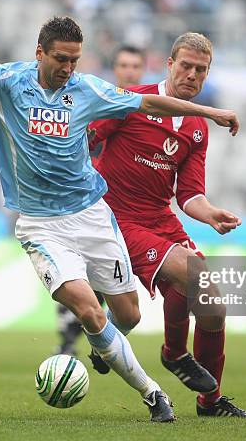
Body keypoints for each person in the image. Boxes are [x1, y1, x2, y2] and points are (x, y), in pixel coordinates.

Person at [0, 2, 239, 422]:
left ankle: (118, 347)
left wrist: (210, 113)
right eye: (60, 59)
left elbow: (158, 121)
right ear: (40, 53)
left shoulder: (88, 90)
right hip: (46, 223)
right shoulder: (7, 82)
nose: (68, 68)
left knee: (132, 313)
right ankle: (155, 392)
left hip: (92, 215)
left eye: (74, 60)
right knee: (100, 308)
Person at [87, 33, 246, 418]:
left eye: (201, 70)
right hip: (117, 219)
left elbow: (189, 195)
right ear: (169, 64)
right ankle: (174, 354)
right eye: (186, 66)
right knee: (191, 273)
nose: (192, 75)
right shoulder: (132, 100)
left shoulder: (196, 126)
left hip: (161, 218)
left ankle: (210, 402)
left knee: (212, 305)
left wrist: (211, 213)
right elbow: (86, 137)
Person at [55, 45, 146, 357]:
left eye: (135, 66)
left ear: (142, 70)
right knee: (78, 274)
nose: (130, 71)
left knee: (110, 286)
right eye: (123, 65)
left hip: (126, 212)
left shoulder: (142, 110)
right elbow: (81, 139)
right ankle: (68, 341)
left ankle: (95, 339)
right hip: (89, 204)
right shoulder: (101, 104)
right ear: (115, 69)